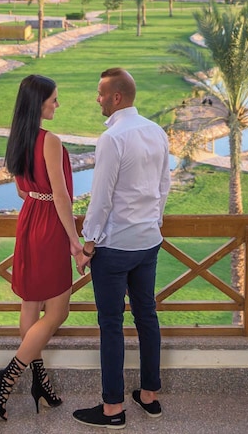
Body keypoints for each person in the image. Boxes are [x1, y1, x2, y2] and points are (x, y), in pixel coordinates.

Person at [0, 74, 86, 421]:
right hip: (50, 227)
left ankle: (40, 382)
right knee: (57, 313)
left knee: (30, 304)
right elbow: (61, 196)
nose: (57, 104)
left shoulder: (19, 138)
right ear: (39, 103)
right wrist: (74, 241)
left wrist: (39, 198)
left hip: (28, 222)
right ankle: (8, 376)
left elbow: (22, 191)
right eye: (54, 99)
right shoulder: (49, 141)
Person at [72, 67, 172, 429]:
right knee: (147, 315)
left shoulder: (112, 138)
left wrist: (88, 242)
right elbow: (164, 185)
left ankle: (112, 408)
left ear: (116, 97)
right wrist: (154, 221)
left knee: (111, 324)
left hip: (114, 247)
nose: (97, 99)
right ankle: (149, 396)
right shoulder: (156, 131)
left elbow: (101, 197)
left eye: (101, 93)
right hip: (148, 242)